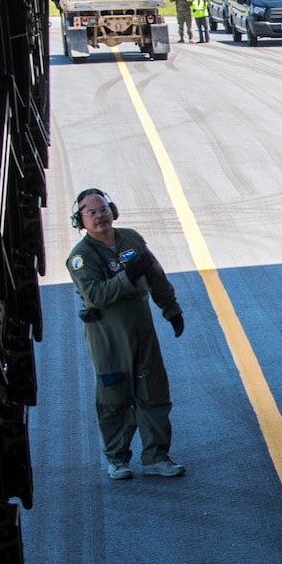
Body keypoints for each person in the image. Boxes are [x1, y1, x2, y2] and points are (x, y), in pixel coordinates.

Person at [67, 189, 187, 480]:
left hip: (141, 327)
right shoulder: (80, 257)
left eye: (104, 209)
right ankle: (117, 459)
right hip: (108, 336)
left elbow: (156, 275)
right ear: (80, 220)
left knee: (153, 392)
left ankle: (156, 457)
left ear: (114, 210)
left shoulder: (131, 238)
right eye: (91, 212)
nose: (100, 215)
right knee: (114, 398)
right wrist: (127, 276)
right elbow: (94, 294)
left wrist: (171, 309)